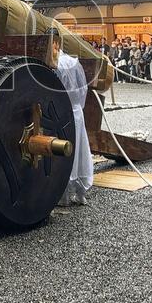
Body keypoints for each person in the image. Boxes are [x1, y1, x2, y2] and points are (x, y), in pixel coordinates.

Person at [49, 28, 93, 205]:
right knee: (78, 149)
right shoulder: (73, 63)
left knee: (68, 151)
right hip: (74, 110)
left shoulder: (57, 64)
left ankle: (65, 192)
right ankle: (78, 191)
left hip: (62, 111)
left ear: (56, 44)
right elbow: (83, 89)